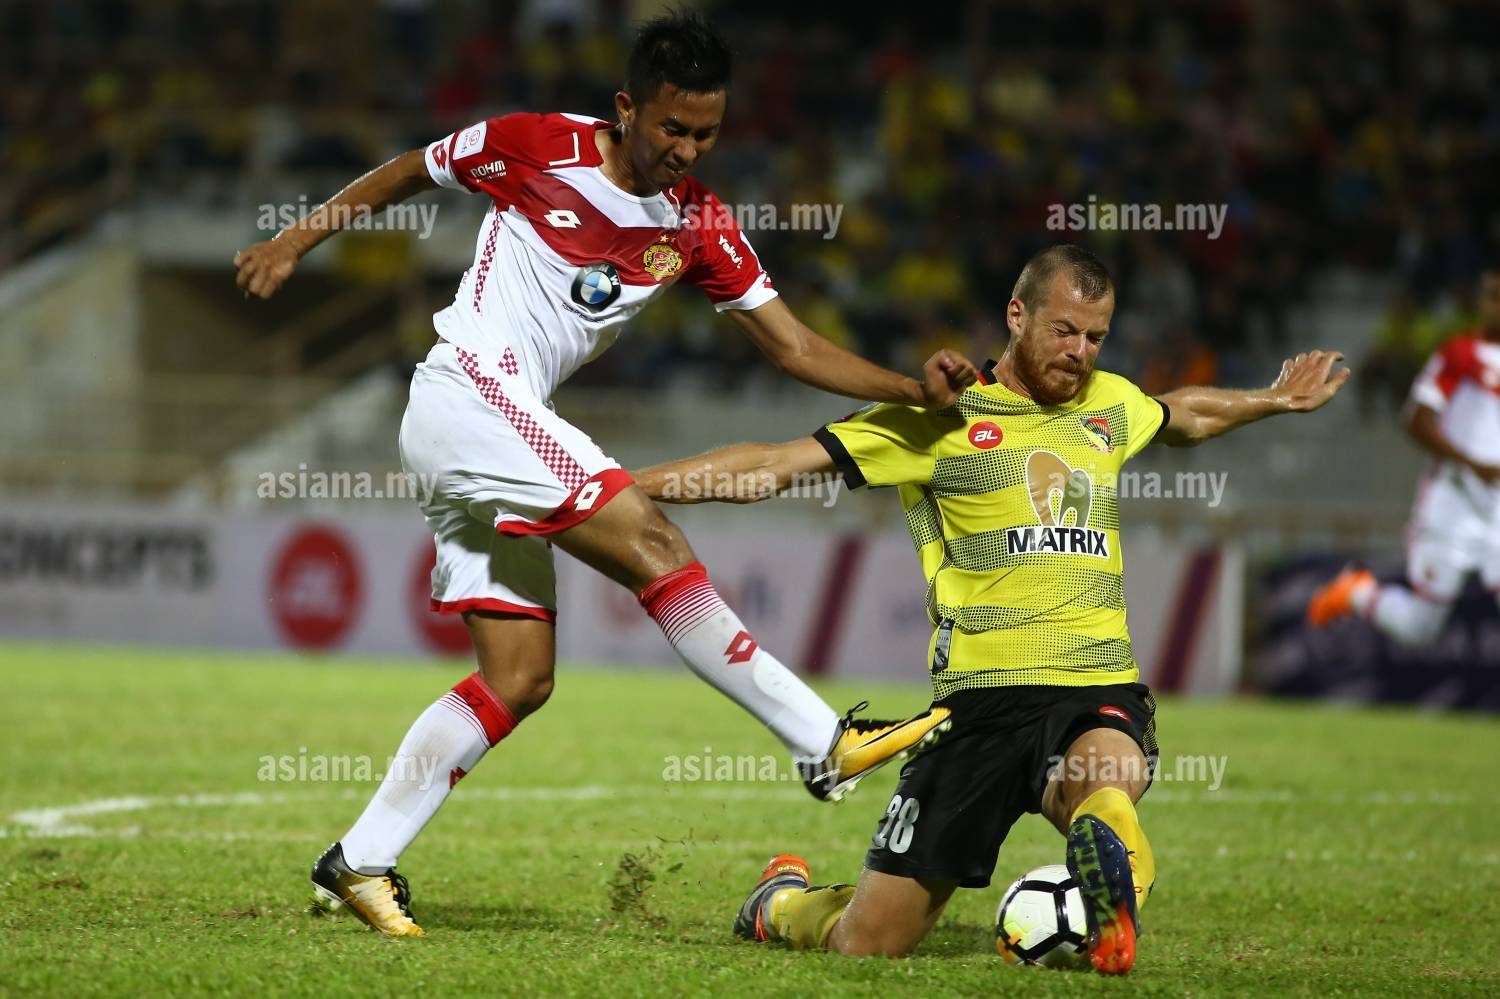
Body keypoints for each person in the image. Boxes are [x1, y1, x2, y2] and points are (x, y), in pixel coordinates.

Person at [232, 11, 970, 937]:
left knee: (519, 676)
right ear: (628, 108)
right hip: (469, 392)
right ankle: (822, 742)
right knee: (654, 539)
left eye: (705, 134)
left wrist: (912, 389)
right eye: (672, 128)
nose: (686, 150)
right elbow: (411, 168)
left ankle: (362, 858)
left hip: (491, 429)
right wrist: (294, 241)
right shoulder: (534, 146)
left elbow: (791, 345)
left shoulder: (698, 222)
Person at [635, 244, 1350, 974]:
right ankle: (781, 902)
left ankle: (1108, 900)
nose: (1080, 353)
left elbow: (1182, 415)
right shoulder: (940, 416)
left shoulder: (1107, 403)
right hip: (978, 705)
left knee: (1106, 780)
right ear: (1017, 315)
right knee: (869, 940)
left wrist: (1274, 399)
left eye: (1096, 336)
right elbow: (775, 465)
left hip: (1094, 681)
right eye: (1065, 330)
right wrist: (622, 487)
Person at [1309, 268, 1500, 642]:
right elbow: (1415, 420)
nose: (1493, 304)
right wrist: (1473, 464)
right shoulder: (1461, 354)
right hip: (1454, 502)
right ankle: (1356, 592)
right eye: (1490, 295)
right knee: (1421, 627)